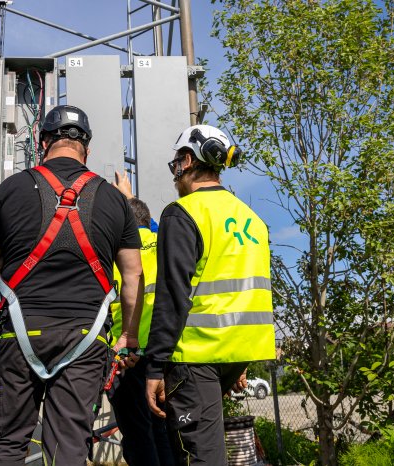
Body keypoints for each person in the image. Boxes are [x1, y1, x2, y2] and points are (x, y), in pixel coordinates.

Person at [0, 105, 144, 465]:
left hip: (18, 333)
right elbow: (133, 275)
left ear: (43, 141)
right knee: (69, 446)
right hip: (86, 336)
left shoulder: (11, 188)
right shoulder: (116, 200)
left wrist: (22, 263)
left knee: (3, 444)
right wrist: (129, 335)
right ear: (87, 149)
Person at [144, 125, 276, 465]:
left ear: (187, 161)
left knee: (201, 457)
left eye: (176, 165)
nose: (175, 176)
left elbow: (173, 295)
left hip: (197, 353)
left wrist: (155, 367)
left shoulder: (183, 213)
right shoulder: (252, 220)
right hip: (240, 351)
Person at [107, 174, 175, 466]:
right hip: (164, 355)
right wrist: (128, 199)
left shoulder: (116, 252)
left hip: (126, 355)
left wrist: (122, 203)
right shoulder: (165, 244)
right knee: (163, 430)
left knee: (136, 434)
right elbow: (147, 225)